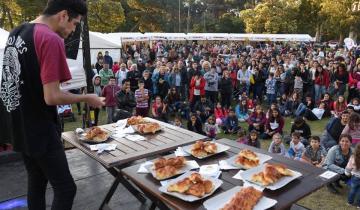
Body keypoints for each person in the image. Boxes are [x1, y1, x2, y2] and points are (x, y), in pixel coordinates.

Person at [0, 1, 104, 209]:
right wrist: (86, 98)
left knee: (36, 182)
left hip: (18, 124)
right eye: (75, 23)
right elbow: (52, 97)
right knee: (66, 188)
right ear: (63, 15)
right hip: (40, 127)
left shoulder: (17, 32)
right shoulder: (50, 38)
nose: (74, 30)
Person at [345, 143, 360, 207]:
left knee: (353, 189)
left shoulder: (352, 157)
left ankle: (350, 202)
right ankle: (359, 205)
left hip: (355, 177)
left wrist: (347, 173)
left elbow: (348, 167)